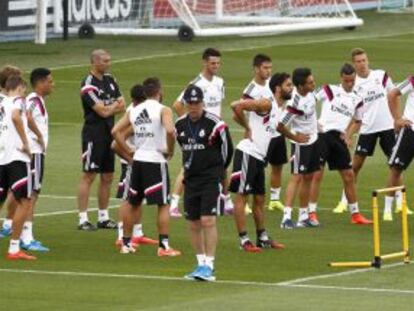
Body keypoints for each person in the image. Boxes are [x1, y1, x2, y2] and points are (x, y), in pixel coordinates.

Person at [335, 48, 409, 219]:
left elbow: (394, 95)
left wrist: (397, 118)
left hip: (388, 127)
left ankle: (400, 204)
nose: (362, 64)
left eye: (364, 60)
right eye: (358, 61)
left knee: (395, 166)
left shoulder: (381, 76)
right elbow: (350, 109)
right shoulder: (353, 84)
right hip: (367, 129)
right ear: (354, 64)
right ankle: (344, 201)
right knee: (355, 166)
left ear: (368, 60)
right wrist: (347, 132)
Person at [112, 77, 181, 257]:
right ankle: (164, 246)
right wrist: (170, 151)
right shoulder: (163, 110)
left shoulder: (135, 110)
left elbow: (115, 132)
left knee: (131, 202)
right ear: (159, 91)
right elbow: (170, 130)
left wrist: (128, 151)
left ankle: (126, 243)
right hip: (156, 161)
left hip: (138, 161)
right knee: (163, 204)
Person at [176, 85, 233, 281]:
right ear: (185, 103)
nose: (193, 107)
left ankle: (210, 264)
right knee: (193, 222)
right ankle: (200, 263)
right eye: (190, 103)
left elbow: (227, 151)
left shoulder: (215, 123)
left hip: (210, 178)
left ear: (203, 102)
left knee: (208, 220)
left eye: (197, 103)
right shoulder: (180, 124)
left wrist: (217, 171)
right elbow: (183, 147)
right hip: (191, 179)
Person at [229, 54, 285, 252]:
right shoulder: (251, 90)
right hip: (248, 150)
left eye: (270, 67)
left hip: (262, 151)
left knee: (260, 197)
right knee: (242, 195)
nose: (268, 71)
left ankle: (262, 237)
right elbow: (237, 109)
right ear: (256, 69)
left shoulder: (270, 87)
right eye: (264, 68)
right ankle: (244, 240)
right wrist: (247, 126)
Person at [170, 48, 232, 217]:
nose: (216, 66)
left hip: (215, 131)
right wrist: (190, 124)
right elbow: (177, 104)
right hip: (199, 132)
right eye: (212, 63)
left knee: (222, 164)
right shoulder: (196, 84)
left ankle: (226, 201)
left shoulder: (220, 82)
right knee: (188, 165)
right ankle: (174, 202)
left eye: (218, 63)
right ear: (204, 62)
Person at [309, 63, 372, 225]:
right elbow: (309, 102)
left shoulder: (358, 98)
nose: (350, 84)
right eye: (346, 81)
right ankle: (311, 213)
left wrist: (348, 135)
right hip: (322, 136)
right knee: (317, 174)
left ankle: (355, 214)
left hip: (338, 138)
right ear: (341, 78)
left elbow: (358, 120)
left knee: (349, 175)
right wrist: (314, 124)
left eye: (352, 80)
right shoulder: (329, 90)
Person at [77, 49, 125, 231]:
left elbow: (123, 104)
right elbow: (102, 111)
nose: (108, 63)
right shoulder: (88, 84)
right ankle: (82, 218)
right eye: (105, 60)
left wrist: (109, 106)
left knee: (107, 176)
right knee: (89, 174)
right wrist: (112, 106)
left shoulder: (111, 79)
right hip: (93, 134)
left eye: (109, 60)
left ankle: (103, 217)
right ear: (95, 62)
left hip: (109, 133)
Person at [112, 84, 157, 247]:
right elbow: (115, 143)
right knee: (128, 199)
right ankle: (121, 234)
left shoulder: (138, 111)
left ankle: (137, 233)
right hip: (131, 164)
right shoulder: (135, 114)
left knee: (137, 199)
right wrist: (130, 157)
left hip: (140, 162)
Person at [277, 68, 320, 229]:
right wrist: (295, 138)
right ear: (301, 86)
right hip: (301, 145)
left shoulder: (311, 94)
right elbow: (280, 125)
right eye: (310, 82)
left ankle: (303, 216)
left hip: (314, 140)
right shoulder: (294, 103)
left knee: (309, 177)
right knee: (296, 177)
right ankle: (286, 218)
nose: (313, 84)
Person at [19, 68, 55, 252]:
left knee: (31, 194)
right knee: (31, 195)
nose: (52, 84)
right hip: (34, 152)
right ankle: (26, 237)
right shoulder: (33, 100)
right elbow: (25, 115)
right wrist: (39, 136)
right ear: (40, 83)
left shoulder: (37, 100)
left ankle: (23, 234)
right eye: (50, 81)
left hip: (35, 152)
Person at [0, 75, 35, 260]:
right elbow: (16, 117)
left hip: (2, 158)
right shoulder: (19, 101)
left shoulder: (2, 102)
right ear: (20, 87)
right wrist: (25, 143)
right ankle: (14, 248)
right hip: (17, 157)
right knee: (24, 202)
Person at [386, 75, 414, 218]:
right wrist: (398, 119)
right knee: (396, 169)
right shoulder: (413, 80)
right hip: (410, 131)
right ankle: (387, 209)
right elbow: (392, 94)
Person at [0, 65, 22, 238]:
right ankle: (8, 223)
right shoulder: (12, 102)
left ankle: (8, 223)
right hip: (10, 152)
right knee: (17, 190)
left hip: (6, 152)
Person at [267, 72, 292, 212]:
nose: (291, 88)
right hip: (265, 139)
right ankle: (246, 201)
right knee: (257, 169)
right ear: (278, 88)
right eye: (288, 85)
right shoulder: (267, 103)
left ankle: (274, 200)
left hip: (278, 137)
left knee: (278, 167)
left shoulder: (286, 101)